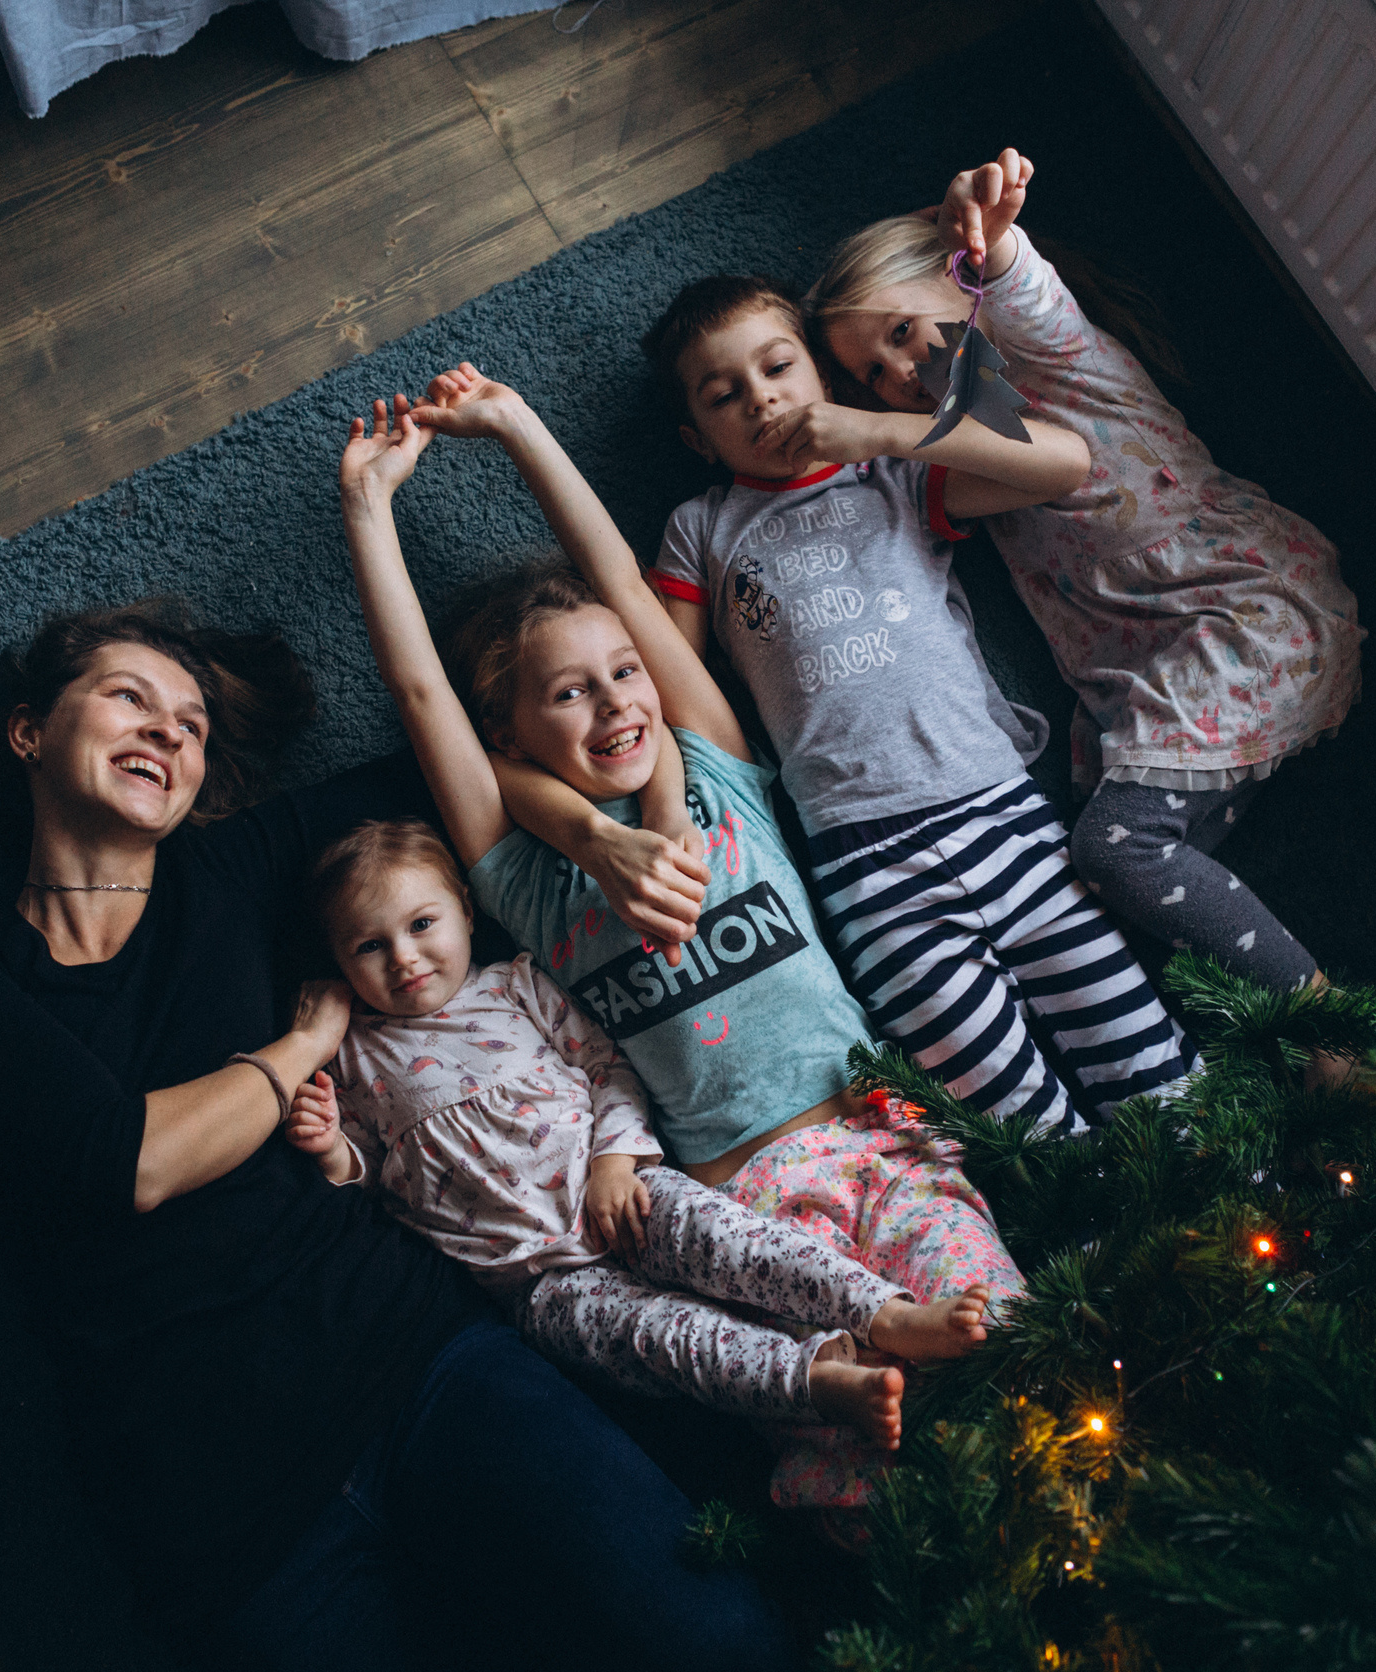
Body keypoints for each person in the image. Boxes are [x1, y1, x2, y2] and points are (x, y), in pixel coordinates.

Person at [0, 599, 790, 1672]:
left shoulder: (232, 869)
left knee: (724, 1645)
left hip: (416, 1363)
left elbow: (467, 758)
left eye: (192, 723)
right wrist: (301, 1043)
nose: (171, 731)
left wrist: (608, 833)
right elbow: (125, 1162)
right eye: (130, 698)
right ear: (28, 732)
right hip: (217, 1507)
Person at [339, 371, 1026, 1514]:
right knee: (852, 1488)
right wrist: (368, 508)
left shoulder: (714, 775)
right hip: (737, 1210)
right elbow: (421, 697)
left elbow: (619, 581)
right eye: (569, 694)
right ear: (509, 730)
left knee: (1009, 1348)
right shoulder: (526, 880)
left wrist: (518, 423)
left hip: (880, 1142)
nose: (616, 704)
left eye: (624, 675)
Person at [637, 271, 1197, 1134]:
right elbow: (668, 681)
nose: (760, 399)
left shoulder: (890, 477)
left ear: (822, 377)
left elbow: (1062, 463)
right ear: (697, 439)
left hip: (1006, 818)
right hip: (867, 870)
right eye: (724, 395)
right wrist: (663, 807)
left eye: (779, 367)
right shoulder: (702, 528)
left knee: (1152, 1072)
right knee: (1017, 1128)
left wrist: (879, 430)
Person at [810, 149, 1365, 989]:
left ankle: (1327, 1022)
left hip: (1248, 611)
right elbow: (931, 484)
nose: (899, 375)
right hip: (1147, 672)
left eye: (900, 332)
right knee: (1096, 886)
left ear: (958, 286)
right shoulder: (961, 439)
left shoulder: (1049, 353)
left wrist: (981, 235)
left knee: (1114, 849)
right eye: (872, 378)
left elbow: (1017, 296)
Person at [282, 817, 995, 1451]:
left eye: (422, 924)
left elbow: (606, 1068)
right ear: (339, 963)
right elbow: (373, 1172)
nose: (404, 958)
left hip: (620, 1191)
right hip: (541, 1280)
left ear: (466, 913)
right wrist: (333, 1151)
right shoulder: (351, 1052)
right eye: (370, 946)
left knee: (744, 1245)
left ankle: (888, 1313)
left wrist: (613, 1162)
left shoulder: (515, 986)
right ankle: (818, 1381)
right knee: (668, 1343)